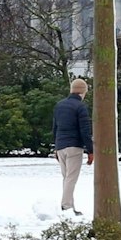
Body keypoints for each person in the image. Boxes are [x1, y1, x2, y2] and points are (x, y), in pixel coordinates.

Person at [51, 77, 96, 214]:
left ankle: (69, 205)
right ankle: (66, 206)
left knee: (66, 178)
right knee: (71, 178)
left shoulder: (59, 105)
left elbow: (55, 128)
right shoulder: (81, 107)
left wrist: (56, 147)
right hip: (74, 146)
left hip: (61, 146)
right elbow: (85, 130)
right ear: (83, 92)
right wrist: (90, 150)